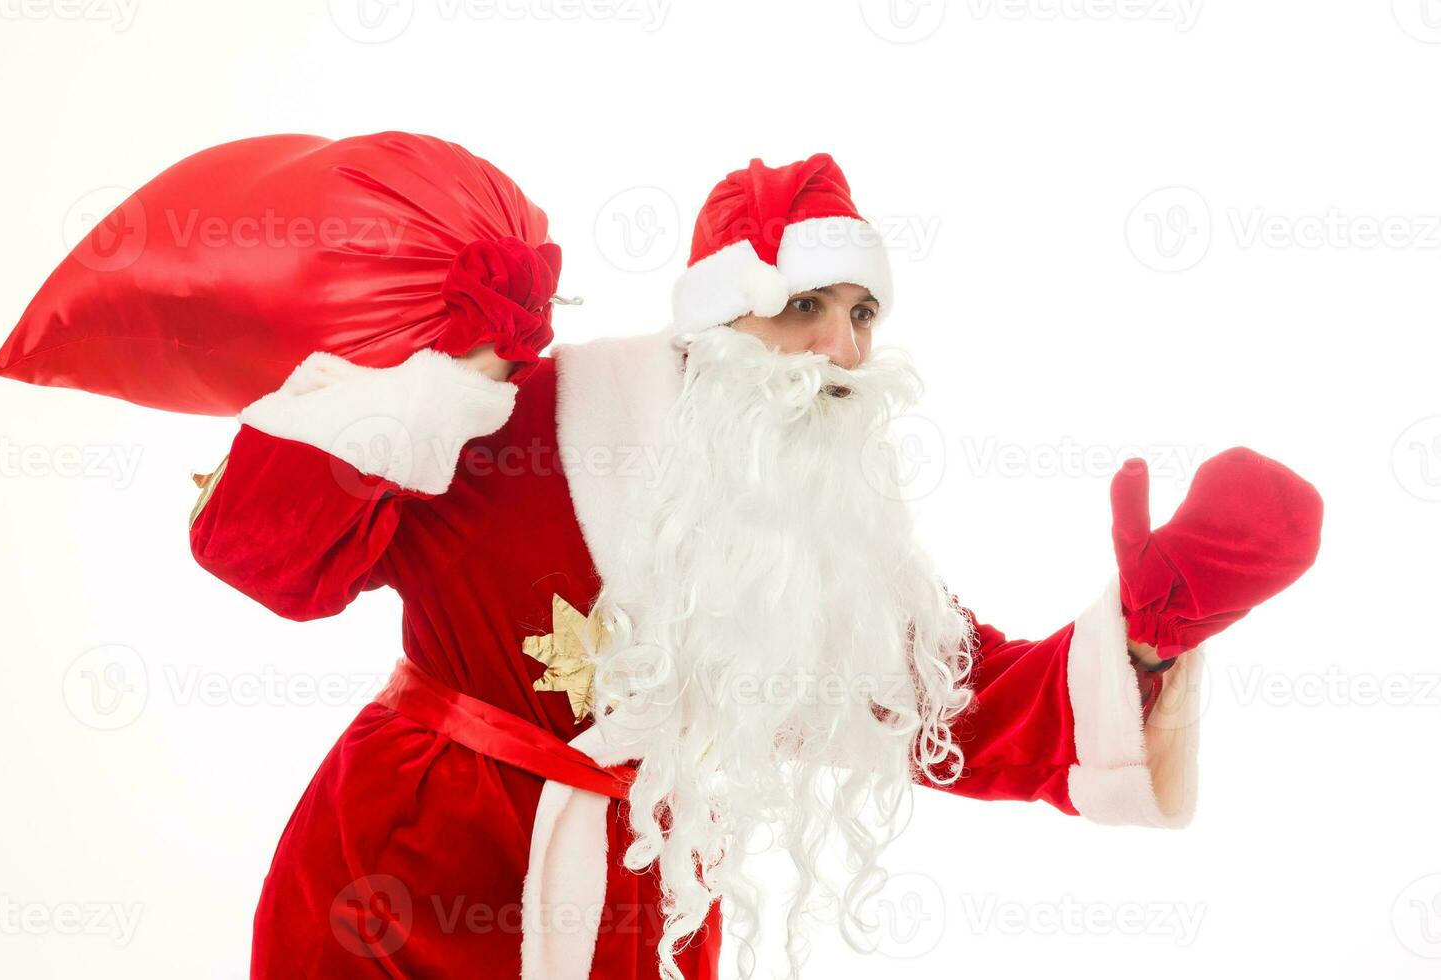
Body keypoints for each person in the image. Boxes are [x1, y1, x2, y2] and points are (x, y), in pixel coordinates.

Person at [189, 153, 1323, 980]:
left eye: (864, 311)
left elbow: (955, 707)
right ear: (721, 318)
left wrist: (1148, 629)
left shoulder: (818, 537)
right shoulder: (519, 414)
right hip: (401, 876)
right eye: (805, 308)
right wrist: (439, 374)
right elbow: (273, 561)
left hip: (643, 901)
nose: (845, 347)